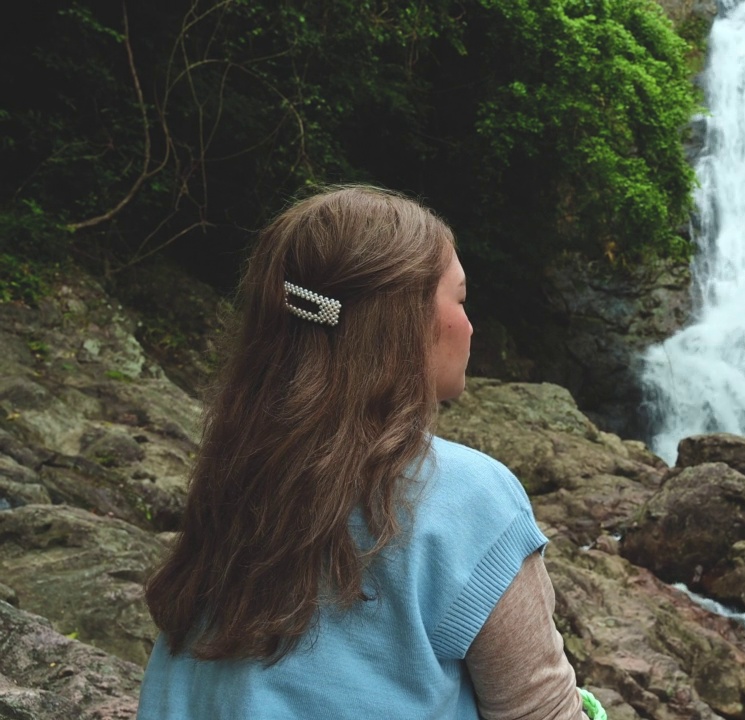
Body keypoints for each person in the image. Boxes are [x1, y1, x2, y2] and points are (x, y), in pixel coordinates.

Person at [137, 186, 590, 719]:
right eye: (461, 300)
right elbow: (542, 711)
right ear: (403, 322)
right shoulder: (472, 499)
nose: (469, 326)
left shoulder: (236, 475)